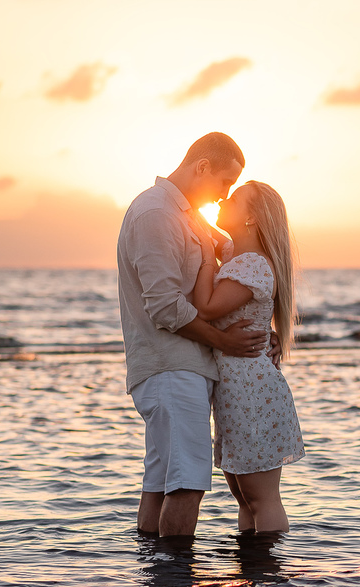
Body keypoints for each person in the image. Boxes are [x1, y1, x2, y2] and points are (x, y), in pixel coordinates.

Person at [117, 132, 268, 539]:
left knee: (162, 481)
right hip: (170, 367)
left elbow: (224, 248)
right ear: (202, 167)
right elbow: (165, 306)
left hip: (179, 366)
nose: (224, 195)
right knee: (187, 483)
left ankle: (156, 582)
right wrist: (226, 342)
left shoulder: (182, 213)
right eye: (225, 183)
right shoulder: (156, 214)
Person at [192, 181, 305, 534]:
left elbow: (206, 308)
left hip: (252, 394)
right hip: (236, 392)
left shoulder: (252, 265)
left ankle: (271, 574)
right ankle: (252, 579)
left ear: (252, 217)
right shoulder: (237, 255)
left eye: (235, 198)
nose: (223, 198)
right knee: (245, 499)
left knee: (261, 499)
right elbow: (198, 225)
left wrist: (203, 259)